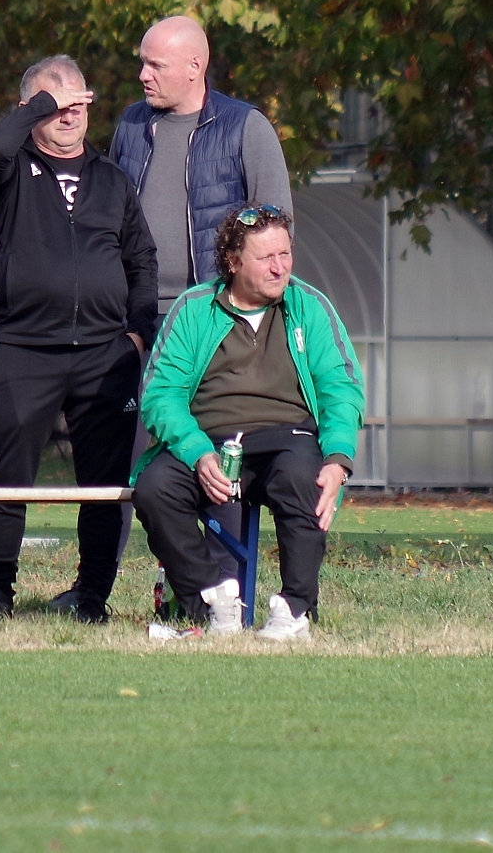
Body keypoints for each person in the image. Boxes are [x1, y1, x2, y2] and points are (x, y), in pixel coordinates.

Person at [108, 15, 296, 585]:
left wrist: (251, 318)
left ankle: (225, 589)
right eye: (142, 63)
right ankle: (99, 587)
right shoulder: (130, 126)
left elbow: (277, 229)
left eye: (155, 65)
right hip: (140, 321)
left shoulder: (245, 127)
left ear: (195, 66)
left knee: (219, 457)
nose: (143, 75)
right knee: (128, 459)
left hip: (215, 324)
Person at [0, 55, 158, 623]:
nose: (70, 113)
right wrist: (41, 105)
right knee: (9, 479)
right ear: (31, 109)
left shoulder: (111, 179)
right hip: (26, 349)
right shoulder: (11, 171)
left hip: (106, 355)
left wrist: (138, 334)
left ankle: (93, 596)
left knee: (103, 485)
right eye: (57, 104)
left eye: (80, 101)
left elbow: (142, 260)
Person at [132, 205, 364, 640]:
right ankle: (211, 602)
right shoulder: (194, 309)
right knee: (155, 488)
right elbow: (161, 395)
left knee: (307, 477)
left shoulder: (310, 307)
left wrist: (338, 458)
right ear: (234, 261)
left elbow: (342, 388)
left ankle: (294, 610)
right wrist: (198, 453)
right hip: (205, 440)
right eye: (266, 258)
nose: (280, 268)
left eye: (285, 254)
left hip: (287, 438)